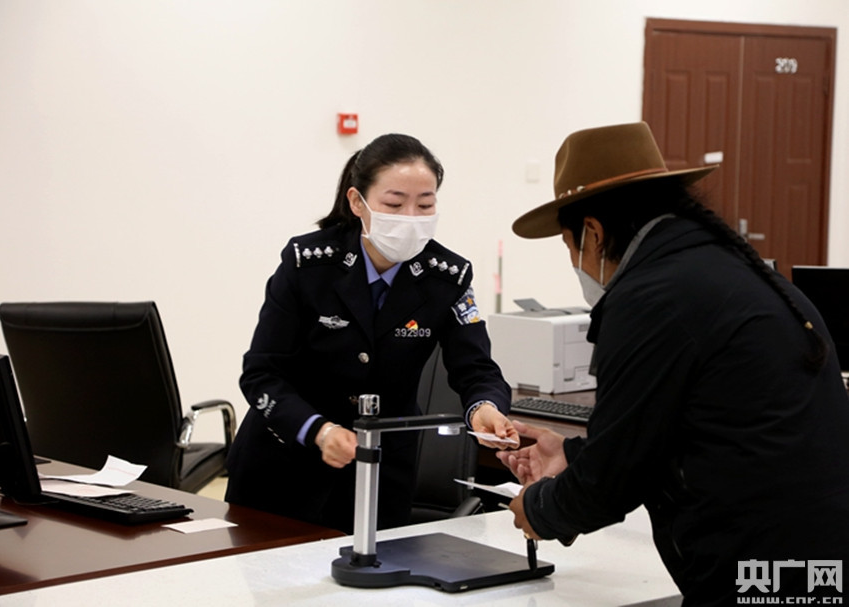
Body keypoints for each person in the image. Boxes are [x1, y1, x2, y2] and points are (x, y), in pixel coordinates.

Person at [498, 122, 849, 605]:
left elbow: (612, 483)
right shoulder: (725, 269)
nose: (576, 263)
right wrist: (573, 455)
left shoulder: (651, 298)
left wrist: (537, 510)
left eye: (568, 245)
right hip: (812, 557)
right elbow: (665, 426)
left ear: (593, 233)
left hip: (756, 561)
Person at [226, 133, 518, 533]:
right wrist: (318, 430)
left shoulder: (447, 278)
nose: (411, 218)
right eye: (394, 204)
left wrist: (484, 408)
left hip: (382, 473)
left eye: (425, 205)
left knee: (377, 573)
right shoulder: (307, 266)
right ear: (357, 201)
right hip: (284, 465)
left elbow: (477, 369)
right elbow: (261, 373)